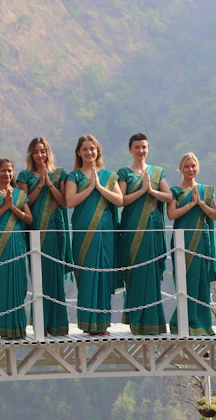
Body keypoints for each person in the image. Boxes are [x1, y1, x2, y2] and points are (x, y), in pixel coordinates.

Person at [65, 135, 123, 336]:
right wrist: (90, 187)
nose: (89, 152)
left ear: (98, 151)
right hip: (84, 230)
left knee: (103, 273)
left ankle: (102, 324)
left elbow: (119, 200)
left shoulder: (108, 175)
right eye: (85, 149)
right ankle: (88, 324)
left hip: (105, 230)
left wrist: (99, 187)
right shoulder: (74, 177)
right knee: (87, 273)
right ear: (79, 153)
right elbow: (70, 202)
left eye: (93, 149)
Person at [117, 134, 172, 335]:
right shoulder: (124, 173)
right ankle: (136, 320)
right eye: (137, 147)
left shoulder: (157, 172)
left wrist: (152, 191)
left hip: (153, 228)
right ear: (130, 149)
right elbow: (121, 200)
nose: (141, 150)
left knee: (152, 273)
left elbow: (169, 196)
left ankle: (154, 321)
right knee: (136, 271)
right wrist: (141, 191)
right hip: (133, 228)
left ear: (148, 149)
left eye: (144, 147)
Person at [17, 137, 72, 336]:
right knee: (38, 275)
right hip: (34, 229)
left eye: (43, 151)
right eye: (36, 152)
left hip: (54, 230)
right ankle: (40, 322)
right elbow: (24, 202)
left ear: (48, 152)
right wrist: (39, 185)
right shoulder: (24, 176)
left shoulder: (59, 174)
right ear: (31, 154)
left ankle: (57, 325)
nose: (40, 155)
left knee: (55, 276)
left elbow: (64, 202)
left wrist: (49, 183)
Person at [0, 158, 33, 339]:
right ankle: (2, 327)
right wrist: (4, 208)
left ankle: (18, 327)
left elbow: (29, 219)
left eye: (10, 170)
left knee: (18, 284)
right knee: (1, 283)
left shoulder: (20, 194)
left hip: (17, 242)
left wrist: (13, 208)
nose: (7, 174)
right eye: (3, 171)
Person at [168, 153, 216, 336]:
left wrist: (201, 204)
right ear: (181, 168)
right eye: (187, 166)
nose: (190, 169)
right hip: (183, 240)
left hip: (201, 240)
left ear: (198, 167)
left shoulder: (205, 190)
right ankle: (183, 321)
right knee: (185, 280)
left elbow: (214, 215)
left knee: (201, 281)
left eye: (193, 166)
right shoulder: (176, 190)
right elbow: (171, 215)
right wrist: (190, 205)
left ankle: (201, 324)